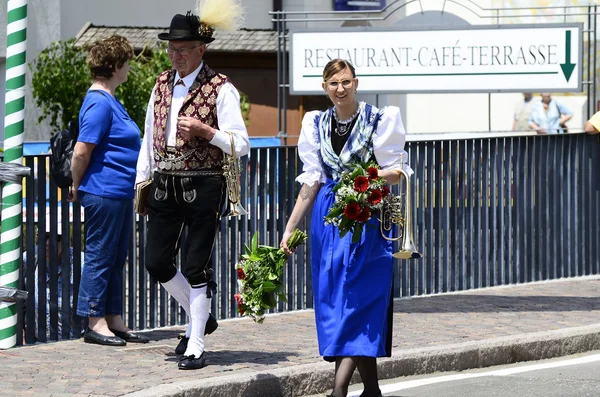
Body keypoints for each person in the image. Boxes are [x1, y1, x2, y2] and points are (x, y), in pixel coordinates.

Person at [279, 58, 411, 397]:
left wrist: (364, 179)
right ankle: (371, 390)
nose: (341, 88)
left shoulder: (379, 119)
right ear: (324, 87)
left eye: (346, 82)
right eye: (334, 83)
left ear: (356, 83)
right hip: (328, 221)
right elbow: (311, 181)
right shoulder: (315, 123)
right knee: (335, 299)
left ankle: (338, 389)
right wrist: (290, 228)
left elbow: (396, 172)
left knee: (360, 299)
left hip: (366, 216)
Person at [135, 0, 249, 370]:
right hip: (166, 182)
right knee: (155, 261)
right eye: (171, 48)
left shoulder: (221, 88)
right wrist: (142, 180)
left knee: (196, 265)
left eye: (183, 49)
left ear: (202, 49)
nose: (176, 55)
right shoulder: (161, 84)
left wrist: (206, 132)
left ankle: (196, 342)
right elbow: (149, 135)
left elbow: (241, 143)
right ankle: (201, 315)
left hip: (204, 185)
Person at [68, 35, 149, 346]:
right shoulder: (100, 104)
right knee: (101, 256)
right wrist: (76, 184)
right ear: (116, 66)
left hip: (118, 192)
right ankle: (94, 319)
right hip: (104, 190)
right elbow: (81, 150)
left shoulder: (111, 101)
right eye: (126, 62)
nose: (128, 68)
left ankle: (113, 318)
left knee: (116, 257)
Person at [25, 220, 85, 340]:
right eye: (43, 237)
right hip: (38, 342)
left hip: (73, 342)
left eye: (54, 238)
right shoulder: (29, 259)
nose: (47, 243)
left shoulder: (82, 263)